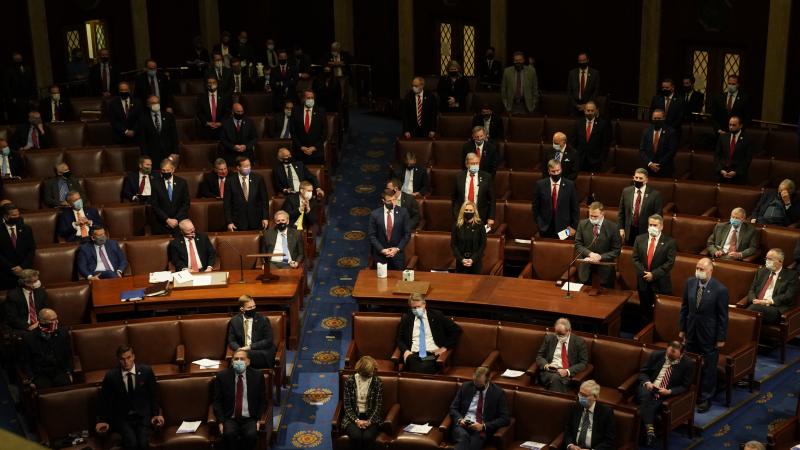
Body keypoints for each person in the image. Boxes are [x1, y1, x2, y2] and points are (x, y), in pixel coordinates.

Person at [679, 257, 729, 413]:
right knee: (689, 363)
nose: (698, 271)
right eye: (697, 268)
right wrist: (682, 329)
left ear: (710, 271)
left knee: (708, 368)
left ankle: (705, 398)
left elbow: (723, 317)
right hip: (691, 331)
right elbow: (684, 307)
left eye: (702, 269)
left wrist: (721, 338)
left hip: (709, 335)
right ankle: (689, 393)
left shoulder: (720, 290)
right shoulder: (690, 283)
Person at [96, 346, 164, 450]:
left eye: (128, 358)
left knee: (143, 442)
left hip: (143, 416)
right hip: (123, 418)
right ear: (118, 360)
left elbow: (153, 395)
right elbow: (105, 400)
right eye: (122, 359)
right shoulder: (111, 376)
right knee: (131, 443)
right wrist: (102, 420)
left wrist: (156, 414)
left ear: (133, 357)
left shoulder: (146, 371)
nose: (126, 362)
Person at [637, 341, 695, 447]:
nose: (670, 356)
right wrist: (648, 383)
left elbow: (686, 386)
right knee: (647, 396)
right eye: (668, 354)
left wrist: (669, 391)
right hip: (648, 388)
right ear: (667, 349)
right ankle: (650, 432)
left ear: (681, 354)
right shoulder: (656, 355)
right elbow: (643, 372)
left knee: (650, 402)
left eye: (674, 356)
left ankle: (645, 434)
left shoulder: (688, 364)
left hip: (664, 394)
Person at [213, 349, 267, 450]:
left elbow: (262, 400)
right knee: (228, 434)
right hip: (230, 418)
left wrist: (258, 419)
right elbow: (217, 401)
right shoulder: (222, 376)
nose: (238, 361)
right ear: (232, 362)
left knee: (251, 435)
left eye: (242, 359)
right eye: (236, 359)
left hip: (250, 418)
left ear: (248, 362)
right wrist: (221, 421)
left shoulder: (257, 376)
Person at [396, 293, 462, 373]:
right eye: (414, 308)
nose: (417, 310)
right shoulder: (407, 319)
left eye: (419, 307)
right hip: (413, 355)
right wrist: (406, 350)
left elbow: (456, 330)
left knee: (421, 367)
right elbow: (400, 339)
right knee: (417, 364)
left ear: (424, 304)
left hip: (431, 355)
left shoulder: (437, 315)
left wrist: (445, 347)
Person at [449, 367, 510, 450]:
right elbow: (453, 408)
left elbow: (505, 418)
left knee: (473, 445)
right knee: (463, 437)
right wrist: (460, 420)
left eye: (480, 385)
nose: (476, 386)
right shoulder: (465, 387)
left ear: (488, 379)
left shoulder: (498, 393)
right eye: (475, 382)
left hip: (480, 429)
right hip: (462, 425)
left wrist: (484, 426)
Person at [633, 214, 677, 323]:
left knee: (660, 315)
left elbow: (669, 263)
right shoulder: (639, 239)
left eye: (655, 225)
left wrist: (653, 274)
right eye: (650, 224)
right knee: (644, 313)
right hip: (643, 282)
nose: (652, 227)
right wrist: (644, 273)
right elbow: (635, 258)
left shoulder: (669, 242)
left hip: (660, 284)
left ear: (661, 226)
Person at [21, 308, 72, 389]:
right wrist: (31, 379)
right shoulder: (29, 338)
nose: (57, 322)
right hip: (40, 374)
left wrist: (69, 372)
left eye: (56, 319)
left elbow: (68, 355)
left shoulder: (62, 333)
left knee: (66, 387)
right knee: (44, 389)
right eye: (53, 320)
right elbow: (26, 361)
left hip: (58, 371)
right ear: (43, 322)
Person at [744, 248, 799, 324]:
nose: (767, 261)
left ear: (780, 261)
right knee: (754, 310)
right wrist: (754, 299)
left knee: (752, 310)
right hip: (757, 304)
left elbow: (788, 296)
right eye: (766, 258)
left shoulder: (791, 276)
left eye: (770, 259)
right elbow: (752, 290)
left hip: (775, 308)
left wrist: (768, 301)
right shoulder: (761, 271)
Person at [535, 318, 589, 393]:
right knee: (556, 379)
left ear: (569, 331)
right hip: (549, 372)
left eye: (562, 334)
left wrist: (567, 371)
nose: (559, 336)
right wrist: (546, 365)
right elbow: (539, 356)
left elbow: (583, 363)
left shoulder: (579, 342)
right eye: (557, 334)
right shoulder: (549, 338)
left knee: (556, 380)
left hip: (566, 374)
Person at [575, 202, 621, 288]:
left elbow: (616, 251)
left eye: (595, 216)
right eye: (590, 216)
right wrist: (590, 254)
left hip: (605, 272)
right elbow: (578, 244)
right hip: (586, 271)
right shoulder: (582, 224)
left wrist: (600, 257)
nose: (592, 218)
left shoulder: (613, 227)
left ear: (602, 213)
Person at [342, 356, 383, 450]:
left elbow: (378, 405)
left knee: (367, 437)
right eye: (370, 372)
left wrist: (369, 421)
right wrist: (356, 420)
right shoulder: (350, 380)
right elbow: (347, 404)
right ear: (362, 371)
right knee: (356, 436)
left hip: (371, 417)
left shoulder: (377, 381)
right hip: (352, 417)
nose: (372, 373)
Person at [533, 160, 579, 239]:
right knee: (546, 249)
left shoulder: (570, 185)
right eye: (553, 171)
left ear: (561, 170)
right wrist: (539, 223)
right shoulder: (540, 185)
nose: (556, 173)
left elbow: (575, 208)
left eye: (558, 170)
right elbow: (535, 206)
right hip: (545, 227)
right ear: (549, 171)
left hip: (565, 227)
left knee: (562, 249)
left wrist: (574, 227)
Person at [564, 380, 615, 450]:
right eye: (580, 394)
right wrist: (570, 445)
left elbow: (609, 441)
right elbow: (568, 429)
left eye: (584, 395)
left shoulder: (606, 412)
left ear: (595, 397)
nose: (581, 398)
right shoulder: (575, 407)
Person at [227, 295, 276, 368]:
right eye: (249, 307)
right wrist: (239, 350)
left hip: (261, 352)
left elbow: (268, 341)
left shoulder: (263, 320)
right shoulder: (234, 321)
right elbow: (231, 341)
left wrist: (249, 347)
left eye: (254, 306)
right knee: (240, 357)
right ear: (242, 309)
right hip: (243, 351)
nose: (253, 309)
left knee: (241, 359)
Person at [368, 189, 411, 271]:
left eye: (394, 199)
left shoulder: (403, 212)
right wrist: (382, 250)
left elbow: (407, 234)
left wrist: (397, 249)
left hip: (397, 255)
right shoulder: (375, 214)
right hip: (380, 256)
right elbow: (372, 236)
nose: (393, 203)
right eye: (389, 201)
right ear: (383, 201)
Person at [618, 168, 663, 246]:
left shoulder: (655, 195)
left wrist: (653, 231)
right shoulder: (626, 191)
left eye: (640, 178)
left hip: (646, 231)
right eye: (636, 178)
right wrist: (621, 228)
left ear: (646, 180)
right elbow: (621, 212)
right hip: (629, 230)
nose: (638, 180)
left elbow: (658, 216)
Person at [224, 156, 269, 232]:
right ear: (238, 167)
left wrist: (265, 217)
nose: (248, 168)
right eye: (245, 166)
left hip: (256, 221)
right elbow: (227, 204)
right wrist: (229, 222)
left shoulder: (258, 178)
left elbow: (264, 200)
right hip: (238, 222)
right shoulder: (230, 181)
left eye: (249, 165)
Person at [453, 153, 495, 228]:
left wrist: (491, 217)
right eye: (473, 163)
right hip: (462, 216)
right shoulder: (458, 177)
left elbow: (492, 199)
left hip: (481, 216)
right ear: (467, 164)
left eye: (477, 163)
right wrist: (456, 215)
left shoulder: (486, 177)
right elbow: (454, 198)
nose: (475, 165)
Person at [149, 159, 190, 235]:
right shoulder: (155, 184)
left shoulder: (182, 183)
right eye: (163, 170)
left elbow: (186, 203)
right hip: (161, 223)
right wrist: (167, 219)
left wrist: (176, 219)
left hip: (179, 222)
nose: (166, 172)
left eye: (168, 170)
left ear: (173, 169)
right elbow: (155, 205)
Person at [0, 204, 35, 291]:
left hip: (25, 271)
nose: (17, 217)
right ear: (6, 216)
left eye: (18, 214)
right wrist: (12, 268)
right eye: (14, 215)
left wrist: (22, 266)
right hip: (6, 272)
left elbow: (31, 249)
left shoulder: (26, 229)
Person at [571, 101, 612, 172]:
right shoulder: (578, 123)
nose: (590, 112)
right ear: (584, 111)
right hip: (580, 159)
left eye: (592, 110)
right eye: (588, 110)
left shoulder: (602, 124)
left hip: (595, 160)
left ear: (596, 111)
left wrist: (602, 159)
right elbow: (573, 141)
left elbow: (605, 143)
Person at [138, 95, 178, 166]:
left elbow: (174, 135)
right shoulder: (143, 119)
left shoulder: (169, 116)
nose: (156, 104)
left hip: (168, 153)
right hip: (152, 154)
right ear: (148, 104)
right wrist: (145, 157)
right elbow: (142, 139)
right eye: (153, 103)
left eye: (157, 102)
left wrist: (175, 152)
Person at [291, 89, 327, 165]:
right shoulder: (295, 111)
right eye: (308, 98)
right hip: (299, 152)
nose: (310, 100)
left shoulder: (321, 111)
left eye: (312, 98)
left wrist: (314, 147)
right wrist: (301, 147)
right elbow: (292, 131)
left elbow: (324, 132)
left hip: (316, 153)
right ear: (303, 99)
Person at [713, 116, 752, 185]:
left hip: (738, 176)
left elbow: (747, 159)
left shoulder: (747, 140)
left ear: (740, 126)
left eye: (734, 125)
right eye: (730, 125)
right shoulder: (723, 137)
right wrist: (721, 170)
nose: (731, 127)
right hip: (722, 174)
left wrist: (736, 172)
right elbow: (717, 156)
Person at [639, 109, 678, 178]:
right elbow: (642, 150)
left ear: (664, 118)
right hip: (648, 168)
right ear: (652, 118)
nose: (657, 120)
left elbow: (672, 151)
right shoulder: (646, 132)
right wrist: (650, 164)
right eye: (655, 118)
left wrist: (658, 164)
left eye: (659, 118)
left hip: (664, 169)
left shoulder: (671, 132)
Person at [451, 201, 486, 274]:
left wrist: (472, 259)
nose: (468, 212)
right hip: (461, 262)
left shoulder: (480, 225)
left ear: (474, 212)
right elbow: (453, 244)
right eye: (466, 210)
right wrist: (461, 259)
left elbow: (483, 244)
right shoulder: (457, 225)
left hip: (475, 262)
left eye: (470, 210)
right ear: (462, 211)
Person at [3, 52, 37, 123]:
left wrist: (33, 97)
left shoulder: (27, 68)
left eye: (19, 58)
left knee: (30, 118)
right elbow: (7, 86)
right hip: (17, 99)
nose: (18, 60)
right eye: (16, 59)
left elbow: (32, 82)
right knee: (20, 118)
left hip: (29, 98)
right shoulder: (9, 70)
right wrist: (12, 98)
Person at [567, 52, 600, 116]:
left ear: (588, 60)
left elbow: (596, 91)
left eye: (584, 60)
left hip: (589, 108)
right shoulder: (572, 73)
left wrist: (587, 105)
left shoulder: (595, 73)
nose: (582, 62)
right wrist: (576, 105)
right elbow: (569, 91)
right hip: (574, 108)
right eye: (580, 61)